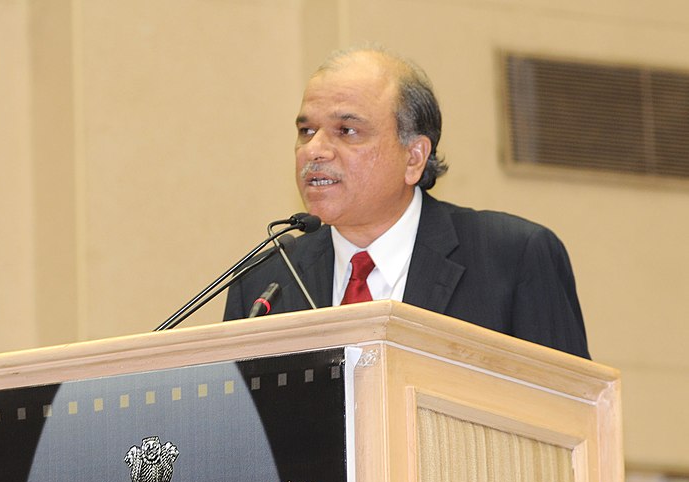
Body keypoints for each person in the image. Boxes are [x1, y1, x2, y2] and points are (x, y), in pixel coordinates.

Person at [224, 47, 590, 359]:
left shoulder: (512, 258)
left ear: (414, 157)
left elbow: (570, 422)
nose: (314, 150)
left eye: (346, 131)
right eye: (306, 131)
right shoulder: (266, 282)